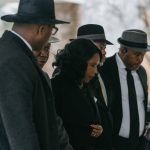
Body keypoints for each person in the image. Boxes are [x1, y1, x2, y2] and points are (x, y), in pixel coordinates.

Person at [0, 0, 73, 150]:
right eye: (52, 30)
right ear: (41, 29)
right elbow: (22, 135)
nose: (49, 37)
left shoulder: (13, 53)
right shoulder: (14, 62)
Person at [51, 38, 108, 150]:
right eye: (92, 65)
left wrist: (99, 129)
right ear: (78, 63)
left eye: (97, 66)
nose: (96, 71)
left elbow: (93, 119)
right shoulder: (56, 86)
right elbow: (55, 128)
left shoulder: (86, 85)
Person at [101, 29, 150, 150]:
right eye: (137, 54)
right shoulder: (105, 69)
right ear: (123, 50)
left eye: (143, 55)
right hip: (114, 143)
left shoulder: (142, 72)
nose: (140, 59)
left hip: (140, 143)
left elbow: (141, 104)